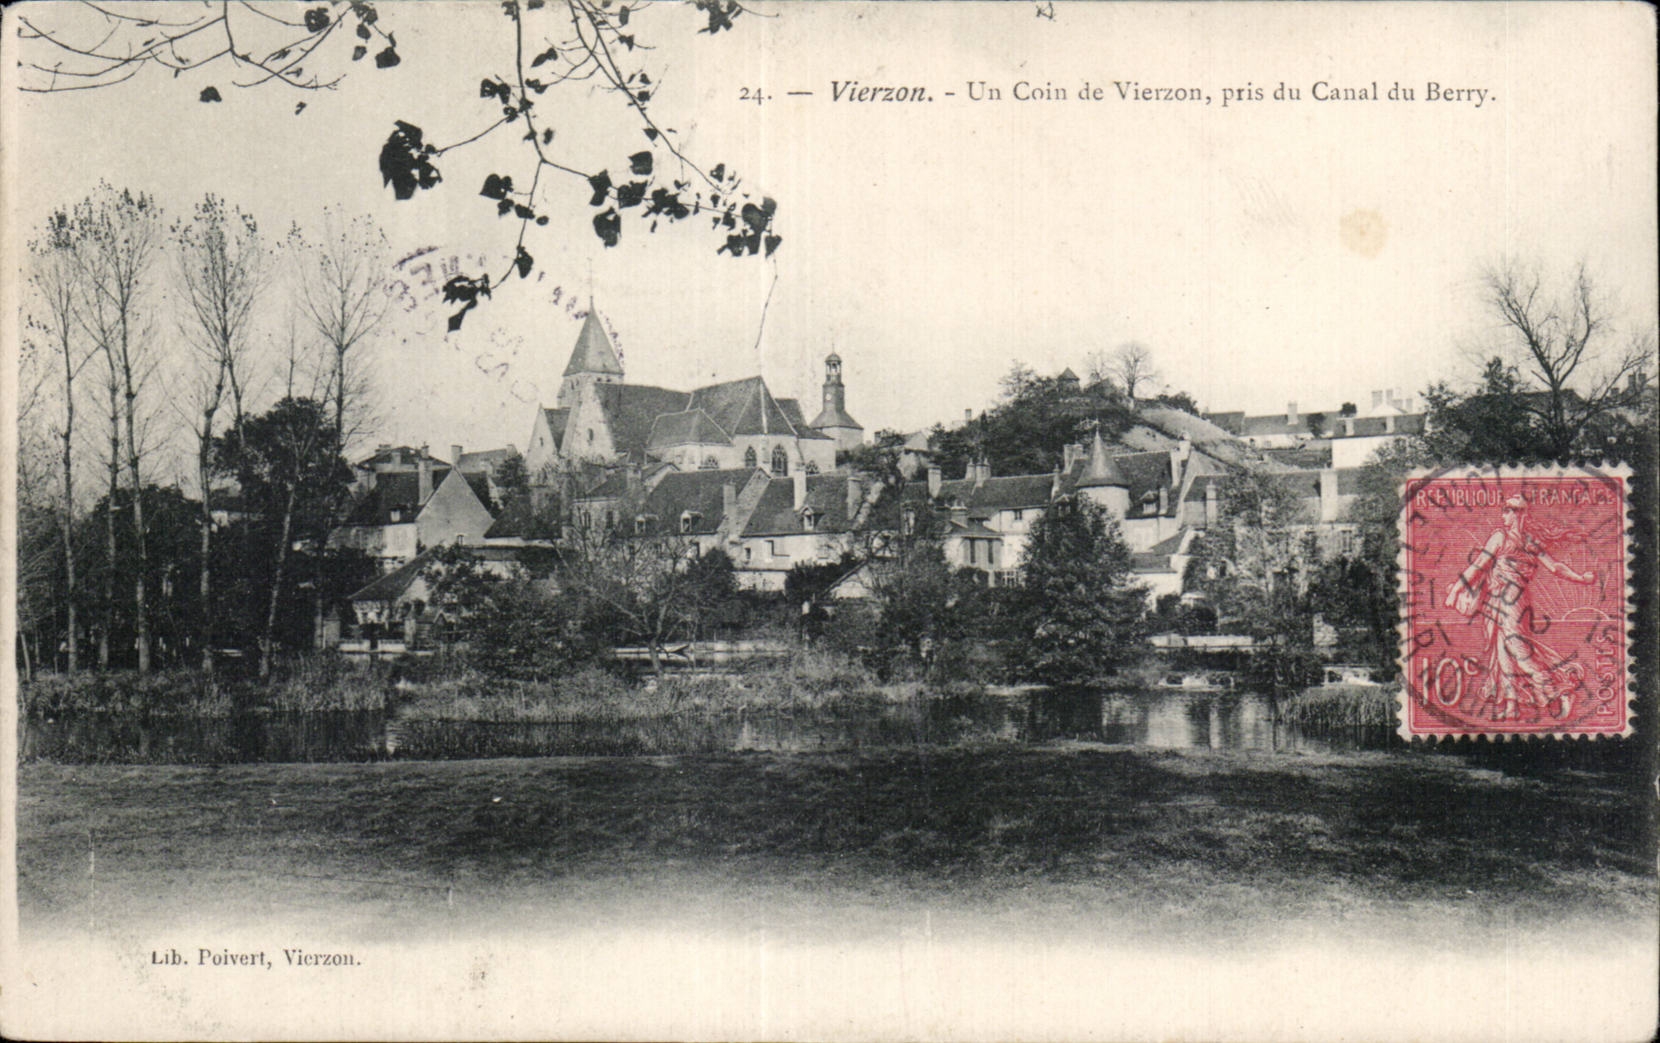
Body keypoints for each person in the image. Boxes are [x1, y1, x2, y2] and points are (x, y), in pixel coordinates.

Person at [1444, 494, 1596, 720]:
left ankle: (1560, 690)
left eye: (1508, 511)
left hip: (1513, 600)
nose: (1504, 515)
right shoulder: (1515, 539)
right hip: (1498, 600)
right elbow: (1479, 566)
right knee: (1503, 653)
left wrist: (1581, 579)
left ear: (1519, 514)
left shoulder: (1508, 538)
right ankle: (1511, 706)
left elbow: (1479, 566)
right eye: (1504, 510)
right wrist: (1581, 579)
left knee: (1517, 649)